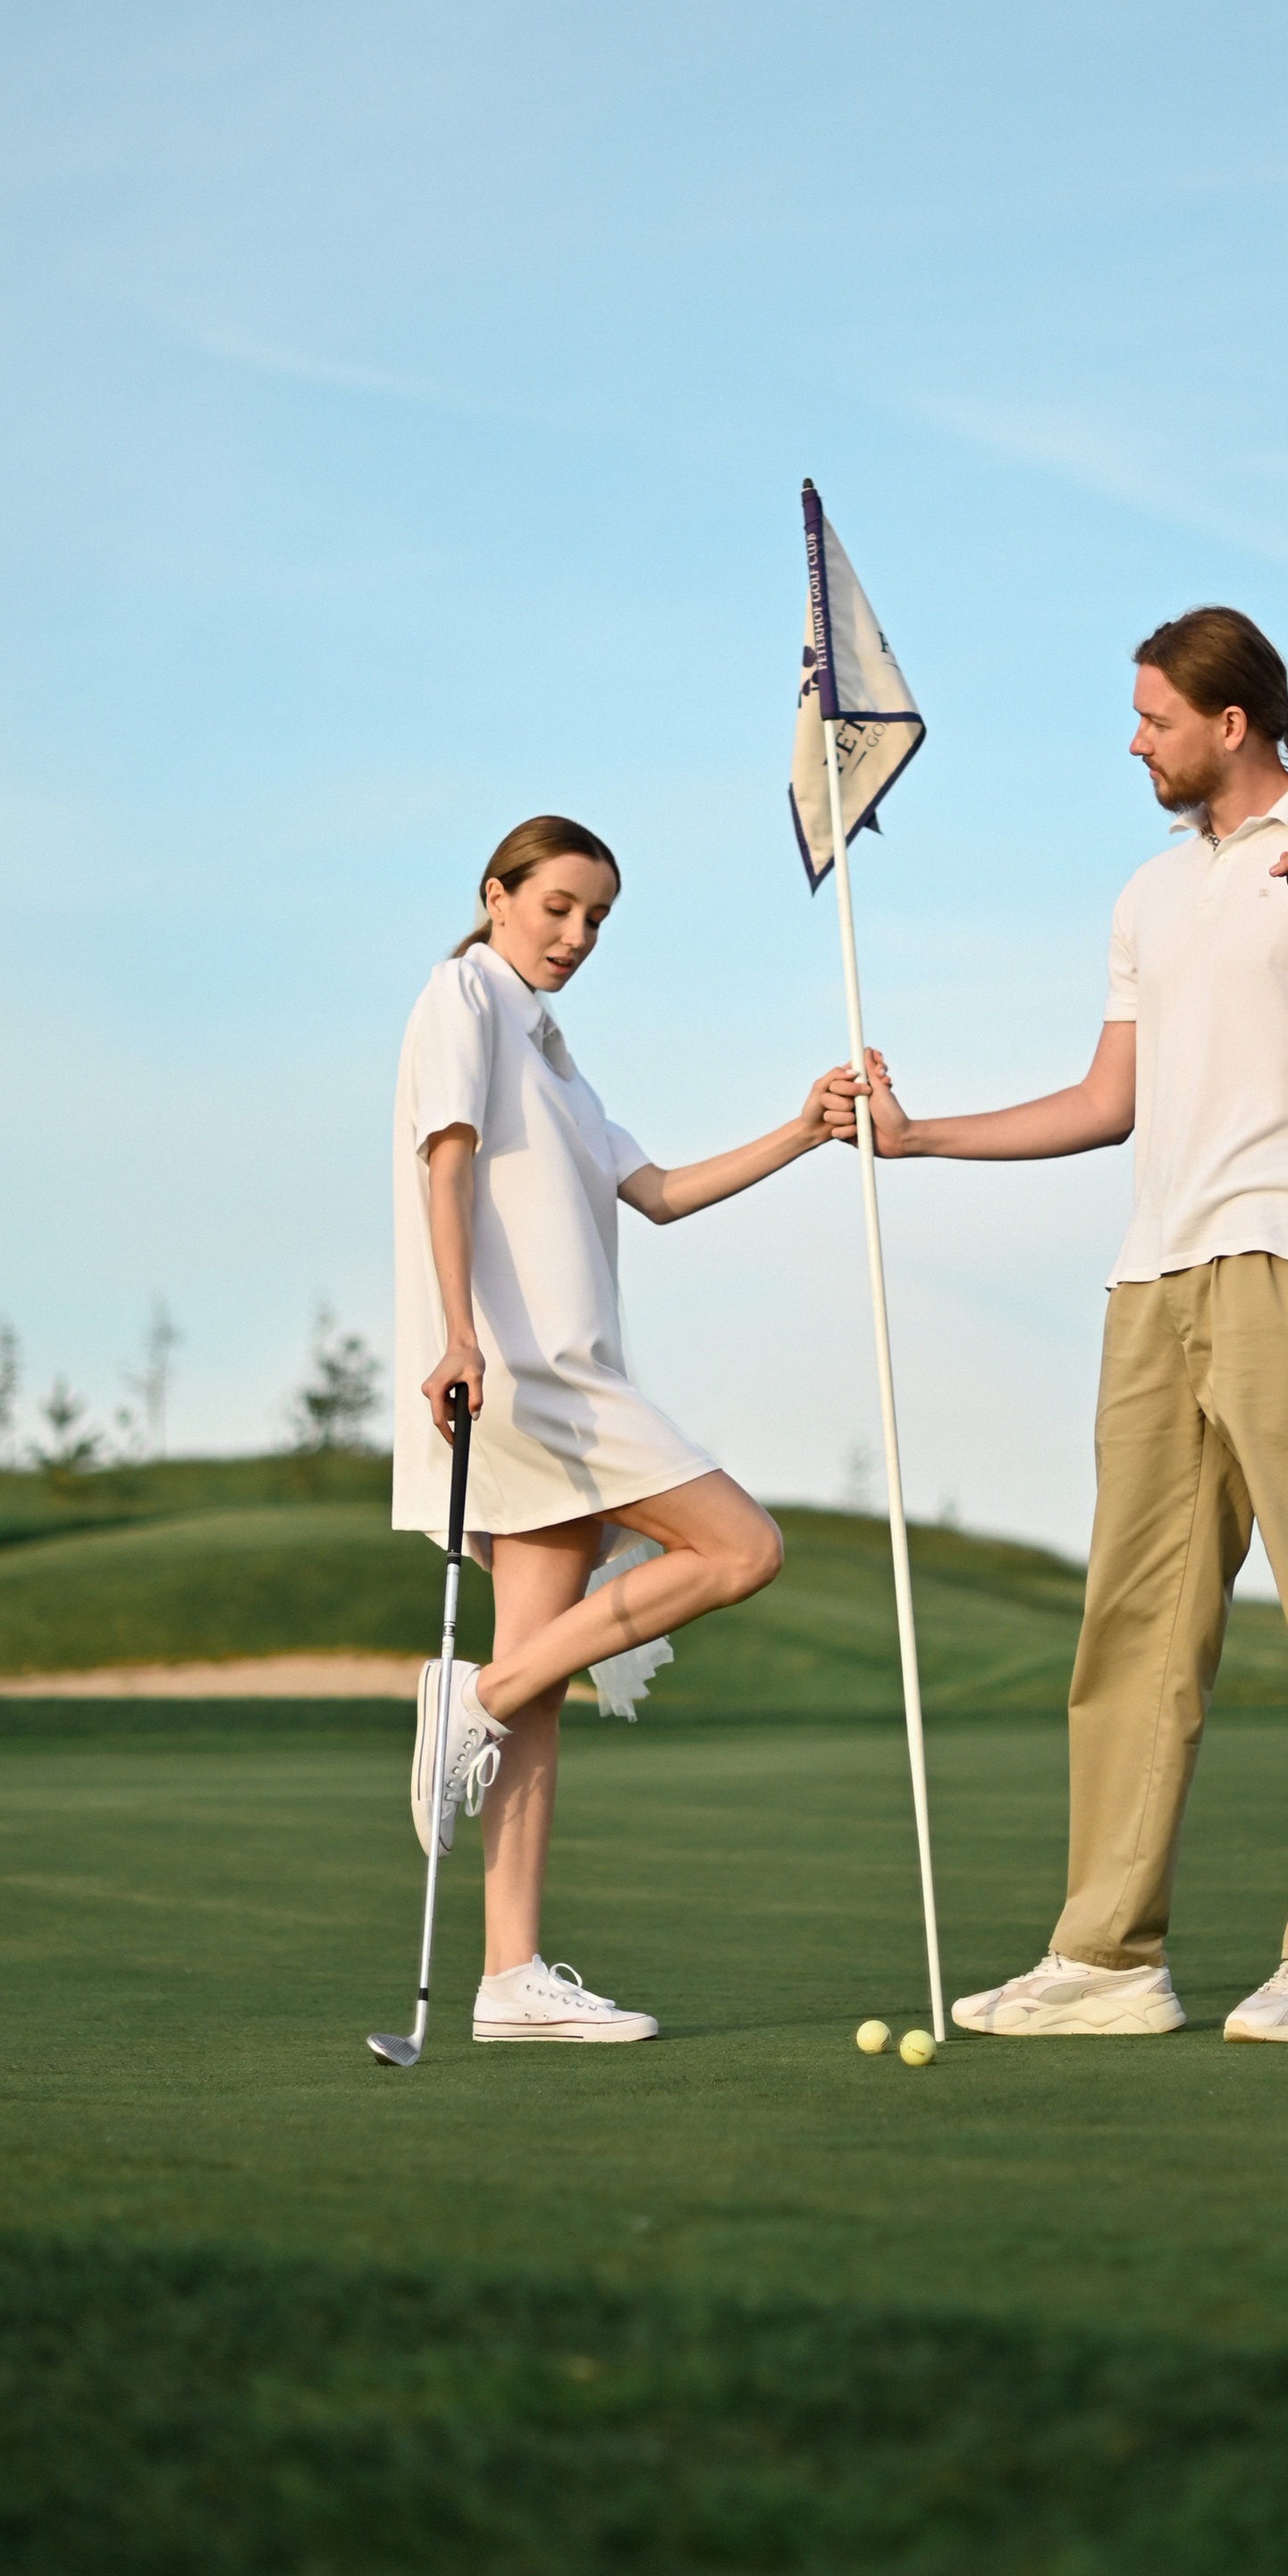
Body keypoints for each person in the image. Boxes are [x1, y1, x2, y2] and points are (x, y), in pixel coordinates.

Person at [840, 610, 1288, 2044]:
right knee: (1133, 1628)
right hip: (1153, 1279)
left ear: (1229, 722)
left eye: (1154, 720)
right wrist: (921, 1139)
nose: (1135, 741)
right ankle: (1110, 1957)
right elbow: (1106, 1099)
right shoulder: (1148, 896)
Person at [392, 811, 849, 2045]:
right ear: (497, 896)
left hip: (570, 1380)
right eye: (557, 908)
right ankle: (476, 1696)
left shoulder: (557, 1058)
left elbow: (658, 1195)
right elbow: (444, 1160)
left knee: (538, 1694)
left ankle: (508, 1981)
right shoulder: (463, 998)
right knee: (742, 1548)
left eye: (596, 918)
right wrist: (457, 1332)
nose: (577, 934)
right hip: (526, 1379)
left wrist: (802, 1131)